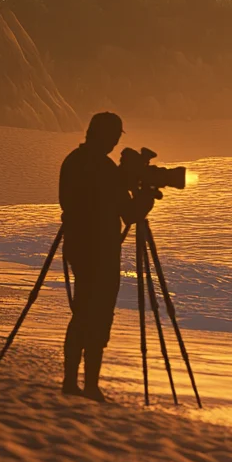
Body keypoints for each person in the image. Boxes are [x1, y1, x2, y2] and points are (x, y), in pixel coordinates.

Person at [59, 113, 151, 402]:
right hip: (101, 251)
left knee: (82, 313)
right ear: (104, 135)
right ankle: (89, 385)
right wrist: (146, 196)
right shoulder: (104, 168)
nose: (114, 142)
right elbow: (131, 214)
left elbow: (71, 203)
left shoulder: (73, 160)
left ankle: (72, 381)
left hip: (77, 246)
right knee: (97, 315)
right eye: (113, 137)